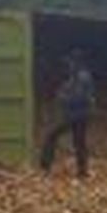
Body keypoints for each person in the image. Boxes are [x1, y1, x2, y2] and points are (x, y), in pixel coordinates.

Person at [40, 49, 94, 178]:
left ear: (76, 62)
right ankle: (82, 172)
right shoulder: (79, 75)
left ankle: (45, 167)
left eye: (70, 62)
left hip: (75, 114)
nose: (68, 65)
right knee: (79, 143)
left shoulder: (81, 77)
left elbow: (79, 96)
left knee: (51, 136)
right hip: (81, 114)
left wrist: (63, 96)